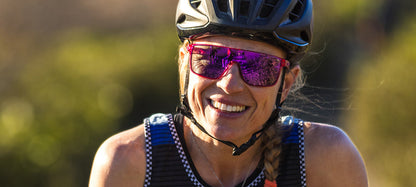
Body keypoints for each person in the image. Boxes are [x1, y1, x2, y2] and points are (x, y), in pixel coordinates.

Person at [89, 0, 368, 186]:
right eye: (210, 58)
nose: (229, 84)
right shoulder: (127, 163)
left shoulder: (327, 158)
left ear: (286, 84)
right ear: (184, 64)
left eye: (259, 66)